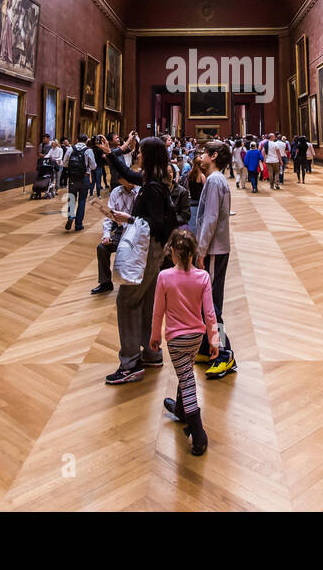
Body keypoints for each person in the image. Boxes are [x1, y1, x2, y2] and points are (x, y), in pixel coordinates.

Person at [103, 136, 177, 384]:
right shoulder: (155, 180)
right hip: (154, 251)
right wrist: (113, 152)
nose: (138, 155)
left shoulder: (153, 188)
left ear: (150, 155)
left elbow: (156, 224)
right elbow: (128, 173)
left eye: (140, 152)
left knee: (126, 302)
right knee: (145, 301)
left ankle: (130, 362)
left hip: (147, 250)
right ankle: (151, 351)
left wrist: (129, 219)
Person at [150, 227, 219, 456]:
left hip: (176, 340)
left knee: (187, 381)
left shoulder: (164, 277)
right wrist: (214, 340)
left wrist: (154, 337)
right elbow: (210, 314)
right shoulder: (203, 277)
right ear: (192, 253)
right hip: (196, 337)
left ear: (172, 253)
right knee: (186, 372)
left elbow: (158, 312)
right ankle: (180, 409)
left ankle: (198, 436)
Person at [193, 140, 235, 378]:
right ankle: (206, 347)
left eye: (204, 152)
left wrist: (201, 251)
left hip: (213, 250)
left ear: (214, 155)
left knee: (211, 305)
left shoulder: (215, 180)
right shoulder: (216, 180)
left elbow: (210, 219)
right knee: (208, 301)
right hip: (215, 249)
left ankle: (223, 353)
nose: (200, 156)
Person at [93, 172, 139, 294]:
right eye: (127, 177)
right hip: (121, 231)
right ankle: (105, 282)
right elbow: (109, 216)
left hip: (138, 232)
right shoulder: (116, 192)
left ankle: (133, 283)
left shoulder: (140, 191)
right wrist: (106, 235)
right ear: (120, 180)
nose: (131, 180)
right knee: (102, 248)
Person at [63, 134, 96, 231]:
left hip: (73, 178)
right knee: (82, 201)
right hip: (84, 178)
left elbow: (64, 163)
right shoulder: (88, 150)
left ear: (77, 140)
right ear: (86, 141)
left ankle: (70, 217)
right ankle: (78, 225)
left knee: (72, 199)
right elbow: (93, 166)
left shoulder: (70, 149)